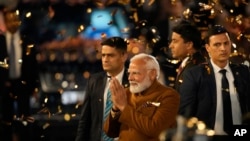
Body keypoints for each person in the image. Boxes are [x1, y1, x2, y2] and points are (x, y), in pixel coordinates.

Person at [178, 25, 250, 136]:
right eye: (217, 44)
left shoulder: (243, 72)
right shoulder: (194, 75)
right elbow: (186, 114)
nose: (223, 48)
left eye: (226, 43)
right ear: (208, 48)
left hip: (240, 134)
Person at [103, 53, 180, 141]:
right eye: (129, 73)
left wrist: (124, 107)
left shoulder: (169, 95)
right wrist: (115, 109)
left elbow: (155, 130)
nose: (130, 78)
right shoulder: (126, 93)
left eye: (135, 73)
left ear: (152, 74)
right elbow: (110, 132)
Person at [75, 36, 129, 141]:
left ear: (123, 56)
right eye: (103, 55)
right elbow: (85, 120)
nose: (105, 59)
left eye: (110, 55)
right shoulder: (94, 81)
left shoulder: (133, 81)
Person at [0, 8, 38, 141]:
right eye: (9, 20)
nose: (12, 23)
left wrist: (34, 86)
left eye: (15, 19)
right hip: (4, 85)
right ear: (5, 22)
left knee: (25, 117)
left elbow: (33, 66)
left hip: (23, 84)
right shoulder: (0, 42)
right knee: (5, 119)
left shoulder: (27, 41)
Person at [168, 20, 206, 92]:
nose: (170, 46)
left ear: (189, 45)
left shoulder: (196, 68)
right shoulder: (188, 64)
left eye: (175, 41)